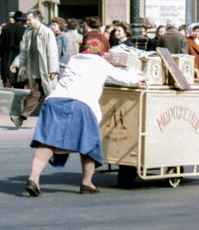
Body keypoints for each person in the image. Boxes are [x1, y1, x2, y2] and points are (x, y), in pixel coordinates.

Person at [24, 47, 146, 196]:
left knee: (48, 142)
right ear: (102, 52)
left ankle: (33, 179)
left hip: (55, 101)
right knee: (88, 144)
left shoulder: (73, 60)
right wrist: (141, 76)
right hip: (82, 104)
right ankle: (87, 183)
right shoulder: (101, 64)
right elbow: (125, 79)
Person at [10, 10, 60, 129]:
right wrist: (16, 63)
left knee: (36, 94)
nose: (27, 22)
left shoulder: (47, 33)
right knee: (39, 95)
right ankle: (23, 118)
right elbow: (24, 52)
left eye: (29, 19)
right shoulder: (28, 33)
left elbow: (52, 52)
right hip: (34, 70)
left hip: (45, 70)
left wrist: (53, 69)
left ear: (37, 19)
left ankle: (21, 118)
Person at [0, 12, 26, 88]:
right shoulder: (25, 30)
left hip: (7, 55)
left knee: (7, 78)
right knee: (19, 80)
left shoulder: (5, 28)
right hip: (19, 55)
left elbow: (1, 43)